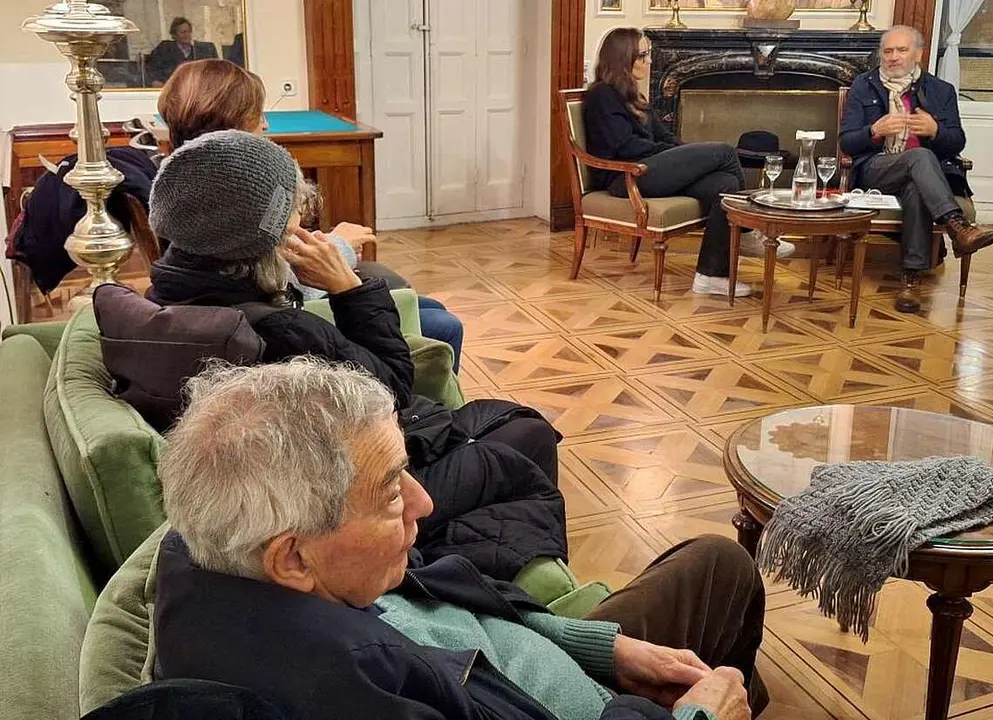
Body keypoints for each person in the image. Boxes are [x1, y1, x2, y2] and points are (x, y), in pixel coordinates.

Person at [152, 357, 768, 719]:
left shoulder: (221, 555)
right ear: (292, 558)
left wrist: (600, 648)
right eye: (392, 491)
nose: (423, 502)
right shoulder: (359, 689)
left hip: (555, 663)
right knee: (727, 639)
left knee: (718, 564)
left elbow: (444, 603)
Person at [143, 129, 565, 581]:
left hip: (318, 468)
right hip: (353, 488)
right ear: (262, 243)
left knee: (506, 420)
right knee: (528, 435)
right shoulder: (278, 330)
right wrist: (349, 287)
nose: (303, 232)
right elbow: (391, 393)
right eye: (291, 226)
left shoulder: (167, 293)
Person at [157, 59, 464, 372]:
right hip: (294, 321)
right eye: (257, 115)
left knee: (430, 310)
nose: (265, 125)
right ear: (234, 126)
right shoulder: (242, 197)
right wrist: (340, 257)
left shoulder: (184, 193)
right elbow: (283, 288)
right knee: (442, 324)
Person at [583, 28, 795, 298]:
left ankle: (710, 276)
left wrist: (687, 153)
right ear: (624, 58)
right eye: (643, 55)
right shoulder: (602, 95)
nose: (649, 61)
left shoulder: (633, 96)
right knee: (725, 153)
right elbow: (625, 147)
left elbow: (664, 136)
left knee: (724, 183)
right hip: (625, 178)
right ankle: (745, 233)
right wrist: (675, 154)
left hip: (650, 167)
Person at [840, 25, 993, 314]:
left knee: (916, 182)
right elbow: (847, 143)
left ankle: (910, 282)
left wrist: (936, 130)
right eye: (888, 51)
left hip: (924, 177)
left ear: (918, 54)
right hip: (877, 170)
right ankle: (957, 227)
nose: (893, 57)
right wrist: (873, 130)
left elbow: (956, 143)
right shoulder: (863, 86)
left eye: (901, 50)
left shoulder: (941, 91)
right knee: (920, 157)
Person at [146, 17, 219, 87]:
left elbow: (216, 70)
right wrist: (154, 81)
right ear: (174, 35)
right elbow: (151, 68)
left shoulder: (201, 51)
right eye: (183, 32)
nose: (187, 35)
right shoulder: (165, 49)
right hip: (172, 89)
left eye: (189, 32)